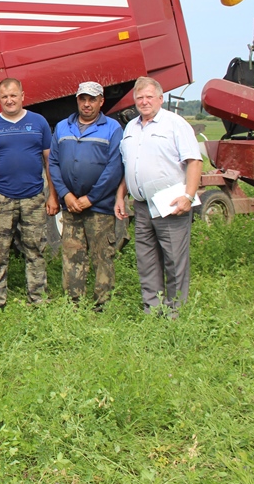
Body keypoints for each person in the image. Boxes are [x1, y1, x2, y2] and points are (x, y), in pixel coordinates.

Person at [114, 76, 203, 314]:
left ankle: (176, 310)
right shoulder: (131, 127)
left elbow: (194, 161)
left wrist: (188, 196)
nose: (144, 102)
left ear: (160, 99)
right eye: (139, 98)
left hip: (170, 203)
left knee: (174, 260)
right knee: (146, 259)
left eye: (149, 97)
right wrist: (121, 196)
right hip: (141, 205)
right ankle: (152, 308)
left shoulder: (176, 124)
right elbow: (128, 166)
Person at [0, 78, 59, 310]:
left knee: (35, 249)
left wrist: (53, 195)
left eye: (13, 95)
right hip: (0, 198)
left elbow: (49, 160)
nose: (9, 100)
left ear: (23, 95)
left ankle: (38, 298)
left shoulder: (39, 123)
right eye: (4, 97)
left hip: (33, 197)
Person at [49, 82, 124, 309]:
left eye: (92, 99)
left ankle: (102, 304)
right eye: (83, 99)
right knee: (72, 256)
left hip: (99, 208)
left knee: (102, 256)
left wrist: (91, 198)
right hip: (70, 207)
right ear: (77, 100)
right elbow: (53, 162)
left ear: (101, 101)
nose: (87, 104)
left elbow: (114, 168)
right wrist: (65, 195)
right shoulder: (62, 127)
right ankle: (74, 304)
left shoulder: (112, 128)